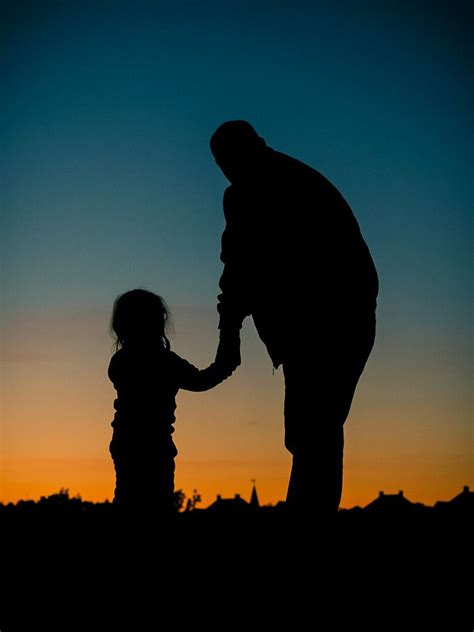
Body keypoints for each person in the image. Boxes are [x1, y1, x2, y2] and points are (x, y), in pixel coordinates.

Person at [211, 121, 379, 516]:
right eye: (220, 164)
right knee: (314, 434)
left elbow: (239, 268)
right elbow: (242, 269)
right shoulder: (285, 179)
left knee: (312, 434)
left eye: (226, 161)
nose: (225, 170)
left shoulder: (253, 191)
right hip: (341, 321)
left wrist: (229, 338)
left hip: (326, 323)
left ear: (252, 149)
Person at [108, 289, 233, 515]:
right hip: (155, 447)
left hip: (125, 443)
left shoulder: (120, 361)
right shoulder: (164, 362)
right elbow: (203, 380)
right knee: (158, 506)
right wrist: (228, 346)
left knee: (127, 502)